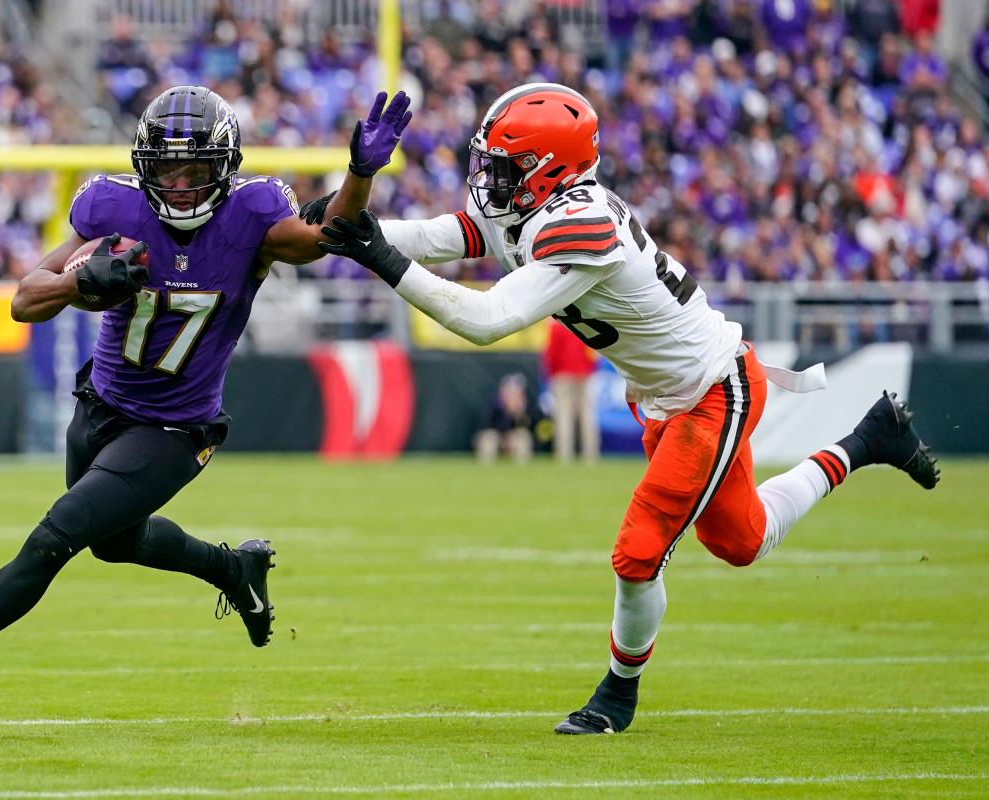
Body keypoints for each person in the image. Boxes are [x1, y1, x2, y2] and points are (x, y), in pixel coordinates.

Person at [308, 82, 940, 735]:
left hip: (713, 391)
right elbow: (452, 233)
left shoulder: (583, 223)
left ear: (549, 168)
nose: (490, 178)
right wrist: (344, 216)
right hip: (667, 399)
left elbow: (487, 318)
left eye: (504, 165)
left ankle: (618, 696)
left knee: (638, 554)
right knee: (742, 540)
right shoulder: (536, 203)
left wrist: (375, 252)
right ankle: (871, 439)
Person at [0, 84, 413, 717]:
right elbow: (22, 299)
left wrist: (360, 174)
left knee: (52, 539)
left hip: (174, 430)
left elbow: (327, 235)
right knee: (114, 544)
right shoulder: (111, 208)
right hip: (100, 406)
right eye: (165, 170)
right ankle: (234, 571)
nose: (178, 186)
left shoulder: (251, 217)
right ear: (142, 168)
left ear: (223, 171)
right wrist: (74, 281)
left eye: (194, 170)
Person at [542, 318, 599, 463]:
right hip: (584, 373)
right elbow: (594, 349)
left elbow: (551, 353)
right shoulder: (585, 321)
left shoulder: (556, 326)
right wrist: (590, 368)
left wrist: (550, 374)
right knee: (587, 415)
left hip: (563, 374)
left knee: (564, 416)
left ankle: (564, 455)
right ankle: (590, 455)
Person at [474, 372, 534, 464]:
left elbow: (527, 427)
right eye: (510, 391)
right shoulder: (495, 405)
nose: (513, 395)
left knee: (523, 437)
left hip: (511, 440)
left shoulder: (524, 407)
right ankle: (485, 471)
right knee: (489, 438)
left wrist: (518, 414)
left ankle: (522, 471)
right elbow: (486, 426)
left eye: (516, 392)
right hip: (497, 439)